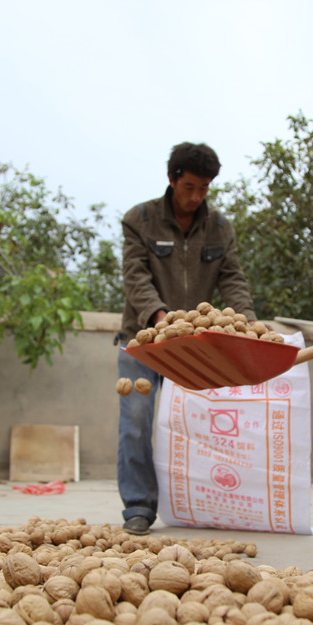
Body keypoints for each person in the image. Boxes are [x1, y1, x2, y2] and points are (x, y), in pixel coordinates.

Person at [116, 142, 257, 535]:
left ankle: (205, 504)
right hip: (143, 340)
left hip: (198, 345)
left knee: (202, 424)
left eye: (204, 189)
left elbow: (233, 278)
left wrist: (247, 324)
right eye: (190, 187)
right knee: (137, 421)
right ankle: (139, 508)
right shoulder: (139, 220)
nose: (196, 196)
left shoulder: (220, 227)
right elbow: (135, 277)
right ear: (172, 179)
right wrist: (160, 318)